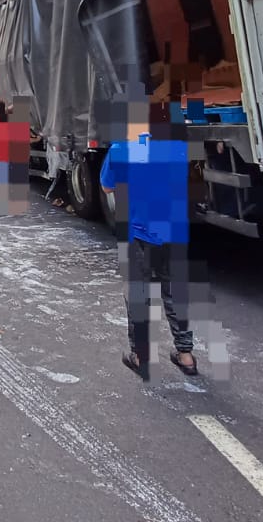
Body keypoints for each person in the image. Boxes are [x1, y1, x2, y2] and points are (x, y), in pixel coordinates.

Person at [99, 102, 197, 380]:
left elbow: (107, 186)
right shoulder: (177, 149)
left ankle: (141, 356)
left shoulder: (121, 149)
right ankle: (186, 356)